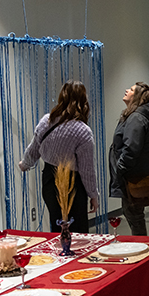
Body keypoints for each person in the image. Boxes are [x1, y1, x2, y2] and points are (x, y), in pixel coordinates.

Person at [19, 80, 99, 233]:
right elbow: (87, 169)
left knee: (57, 225)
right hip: (73, 183)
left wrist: (25, 163)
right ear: (83, 101)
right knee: (77, 229)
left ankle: (60, 255)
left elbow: (34, 148)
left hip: (49, 180)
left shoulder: (46, 121)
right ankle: (74, 255)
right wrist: (93, 195)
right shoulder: (83, 131)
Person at [109, 81, 149, 236]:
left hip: (132, 176)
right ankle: (141, 245)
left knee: (134, 215)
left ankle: (142, 247)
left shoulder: (136, 118)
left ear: (137, 97)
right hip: (133, 174)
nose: (126, 90)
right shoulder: (135, 116)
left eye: (130, 90)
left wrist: (120, 169)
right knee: (134, 214)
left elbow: (131, 149)